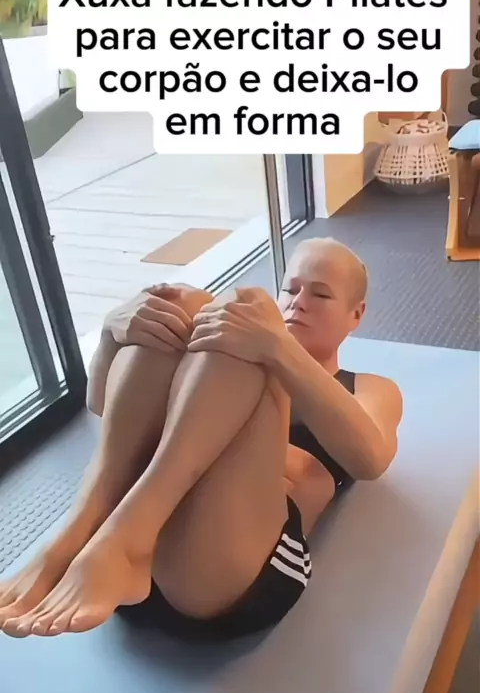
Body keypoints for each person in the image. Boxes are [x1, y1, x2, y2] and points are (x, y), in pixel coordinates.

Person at [0, 237, 403, 642]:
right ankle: (85, 536)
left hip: (226, 572)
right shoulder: (217, 354)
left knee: (243, 325)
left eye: (320, 294)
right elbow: (103, 406)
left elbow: (370, 459)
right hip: (114, 568)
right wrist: (112, 330)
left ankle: (118, 540)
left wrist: (277, 348)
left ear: (356, 314)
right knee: (180, 304)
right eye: (291, 289)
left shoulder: (368, 388)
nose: (298, 303)